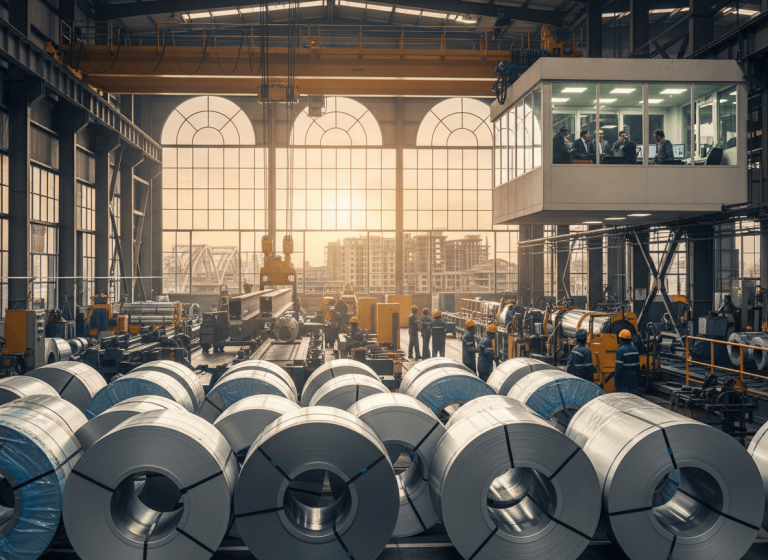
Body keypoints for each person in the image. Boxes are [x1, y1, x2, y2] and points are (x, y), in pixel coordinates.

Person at [614, 329, 640, 394]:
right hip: (633, 380)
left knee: (623, 400)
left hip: (623, 382)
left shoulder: (620, 351)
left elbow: (619, 369)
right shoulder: (635, 349)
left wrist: (616, 380)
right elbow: (638, 367)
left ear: (620, 339)